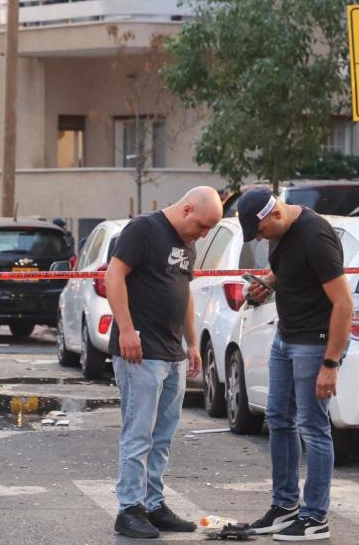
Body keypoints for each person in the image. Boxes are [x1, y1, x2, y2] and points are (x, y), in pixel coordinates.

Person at [104, 186, 222, 539]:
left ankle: (153, 504)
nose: (202, 235)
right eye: (201, 226)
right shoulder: (143, 230)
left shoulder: (188, 244)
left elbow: (183, 293)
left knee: (163, 436)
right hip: (140, 352)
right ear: (187, 209)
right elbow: (114, 276)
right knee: (138, 434)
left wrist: (192, 343)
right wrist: (126, 331)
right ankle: (129, 509)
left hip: (171, 353)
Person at [235, 188, 352, 542]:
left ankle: (315, 516)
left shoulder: (316, 236)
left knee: (313, 427)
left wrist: (330, 363)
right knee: (278, 420)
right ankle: (285, 507)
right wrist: (267, 284)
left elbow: (344, 304)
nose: (259, 238)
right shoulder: (280, 233)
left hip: (313, 344)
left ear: (273, 215)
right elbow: (290, 272)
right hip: (285, 338)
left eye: (259, 231)